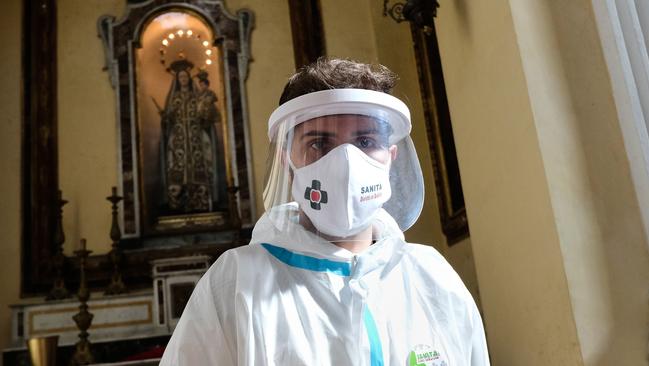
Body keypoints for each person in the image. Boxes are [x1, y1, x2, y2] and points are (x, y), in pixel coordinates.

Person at [160, 58, 490, 365]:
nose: (345, 163)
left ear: (390, 157)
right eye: (319, 143)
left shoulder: (431, 277)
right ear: (289, 163)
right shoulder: (235, 285)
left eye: (365, 142)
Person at [160, 61, 215, 213]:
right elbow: (168, 118)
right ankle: (177, 205)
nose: (183, 79)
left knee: (198, 166)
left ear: (189, 78)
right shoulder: (174, 98)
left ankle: (200, 202)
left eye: (185, 76)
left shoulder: (196, 96)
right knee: (177, 167)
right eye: (180, 77)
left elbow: (204, 116)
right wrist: (165, 118)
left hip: (195, 137)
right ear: (177, 80)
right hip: (178, 139)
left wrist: (205, 111)